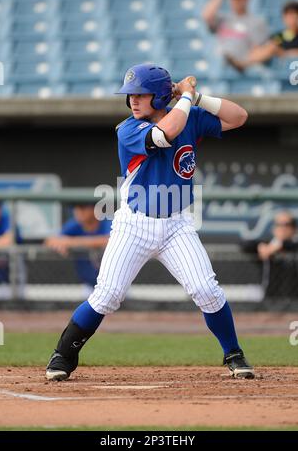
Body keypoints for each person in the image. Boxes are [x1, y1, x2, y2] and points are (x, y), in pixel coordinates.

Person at [46, 63, 255, 381]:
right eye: (130, 94)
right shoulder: (128, 129)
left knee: (206, 290)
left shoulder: (191, 117)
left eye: (141, 94)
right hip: (134, 224)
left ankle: (234, 353)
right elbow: (164, 133)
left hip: (177, 225)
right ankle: (63, 355)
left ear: (159, 95)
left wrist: (195, 96)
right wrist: (183, 98)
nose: (133, 100)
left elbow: (239, 117)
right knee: (107, 295)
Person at [45, 203, 111, 290]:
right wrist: (59, 244)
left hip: (114, 283)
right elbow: (50, 240)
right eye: (76, 208)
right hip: (87, 284)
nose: (78, 211)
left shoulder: (107, 222)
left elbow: (110, 240)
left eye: (83, 207)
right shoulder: (75, 225)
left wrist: (71, 242)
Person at [202, 0, 268, 66]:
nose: (235, 1)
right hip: (220, 66)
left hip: (241, 68)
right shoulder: (223, 18)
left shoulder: (257, 22)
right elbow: (206, 16)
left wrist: (241, 63)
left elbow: (258, 50)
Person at [226, 1, 298, 72]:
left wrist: (284, 53)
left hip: (290, 66)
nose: (292, 20)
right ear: (284, 18)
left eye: (294, 16)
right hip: (274, 64)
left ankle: (242, 64)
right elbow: (268, 45)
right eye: (288, 17)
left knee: (271, 48)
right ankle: (242, 62)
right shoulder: (282, 35)